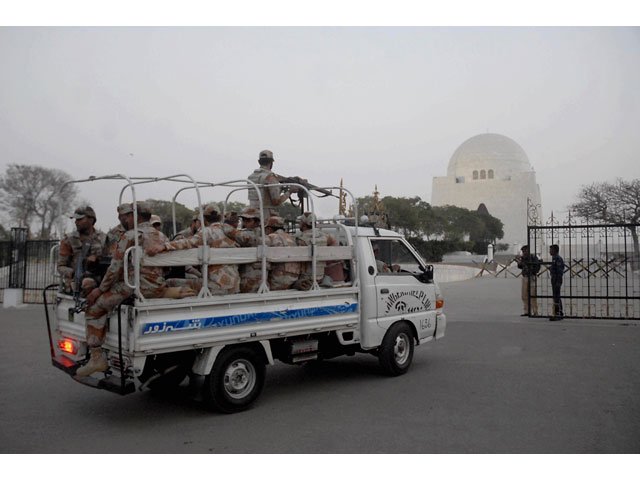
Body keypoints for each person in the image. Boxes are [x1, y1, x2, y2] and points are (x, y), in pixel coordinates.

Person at [77, 202, 194, 377]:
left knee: (93, 309)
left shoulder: (130, 235)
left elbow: (115, 268)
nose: (122, 220)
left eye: (125, 216)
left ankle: (97, 359)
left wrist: (100, 290)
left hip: (133, 287)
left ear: (135, 216)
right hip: (156, 285)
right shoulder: (162, 236)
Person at [147, 203, 240, 296]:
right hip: (234, 286)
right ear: (220, 217)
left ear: (204, 219)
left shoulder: (206, 232)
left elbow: (188, 242)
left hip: (214, 286)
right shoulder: (232, 232)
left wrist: (165, 246)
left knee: (170, 282)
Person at [57, 206, 107, 296]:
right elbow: (60, 266)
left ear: (91, 220)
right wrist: (73, 273)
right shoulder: (69, 239)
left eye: (80, 219)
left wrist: (97, 259)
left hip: (99, 279)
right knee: (87, 283)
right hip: (76, 281)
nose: (76, 222)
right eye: (75, 220)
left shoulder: (103, 238)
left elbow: (112, 260)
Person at [294, 212, 337, 290]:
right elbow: (334, 241)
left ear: (304, 224)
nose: (299, 224)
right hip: (320, 277)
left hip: (305, 279)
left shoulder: (300, 239)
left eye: (300, 222)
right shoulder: (324, 236)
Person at [247, 149, 294, 217]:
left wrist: (280, 188)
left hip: (252, 214)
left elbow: (264, 193)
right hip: (266, 215)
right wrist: (290, 192)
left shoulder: (251, 177)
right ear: (271, 163)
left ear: (259, 162)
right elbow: (276, 202)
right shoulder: (270, 177)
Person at [264, 215, 300, 290]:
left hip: (277, 278)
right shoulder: (292, 238)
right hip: (294, 278)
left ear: (269, 228)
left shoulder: (270, 237)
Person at [235, 207, 266, 293]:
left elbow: (238, 236)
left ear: (256, 222)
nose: (245, 223)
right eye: (243, 220)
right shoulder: (262, 233)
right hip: (258, 275)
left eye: (248, 220)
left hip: (250, 277)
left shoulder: (252, 234)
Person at [516, 245, 541, 316]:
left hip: (532, 277)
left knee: (533, 295)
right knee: (524, 295)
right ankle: (527, 311)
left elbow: (537, 267)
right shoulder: (523, 258)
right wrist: (519, 262)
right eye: (523, 251)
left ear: (528, 250)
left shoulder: (533, 257)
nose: (524, 252)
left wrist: (533, 271)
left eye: (525, 251)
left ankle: (535, 311)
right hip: (525, 277)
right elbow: (520, 266)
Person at [549, 244, 565, 321]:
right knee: (555, 297)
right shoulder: (554, 258)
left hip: (556, 279)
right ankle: (557, 312)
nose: (550, 251)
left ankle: (558, 313)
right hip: (554, 279)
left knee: (557, 297)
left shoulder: (558, 259)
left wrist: (558, 281)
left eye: (551, 250)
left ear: (555, 251)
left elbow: (559, 271)